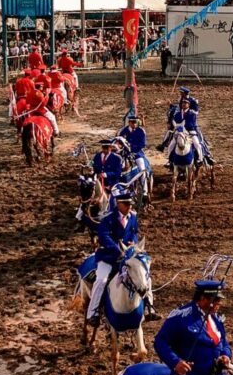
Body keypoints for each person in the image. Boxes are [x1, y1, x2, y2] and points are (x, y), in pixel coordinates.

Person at [86, 186, 160, 328]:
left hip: (127, 257)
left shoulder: (133, 216)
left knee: (145, 278)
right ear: (118, 204)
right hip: (108, 257)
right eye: (126, 204)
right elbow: (104, 236)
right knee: (101, 280)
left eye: (130, 204)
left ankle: (149, 307)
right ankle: (93, 312)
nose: (129, 207)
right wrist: (118, 250)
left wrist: (134, 244)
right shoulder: (107, 218)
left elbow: (134, 233)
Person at [117, 114, 150, 202]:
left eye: (135, 122)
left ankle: (145, 191)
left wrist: (132, 149)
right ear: (129, 123)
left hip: (137, 154)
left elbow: (142, 144)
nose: (134, 124)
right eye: (132, 122)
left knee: (142, 170)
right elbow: (119, 142)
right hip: (125, 154)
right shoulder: (123, 131)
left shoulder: (141, 131)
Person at [166, 96, 206, 167]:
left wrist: (183, 126)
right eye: (183, 103)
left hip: (190, 132)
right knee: (171, 144)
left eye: (186, 103)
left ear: (189, 105)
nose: (184, 104)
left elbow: (191, 123)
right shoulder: (177, 114)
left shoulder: (192, 113)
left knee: (197, 144)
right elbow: (175, 121)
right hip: (180, 132)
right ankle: (169, 160)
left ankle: (200, 159)